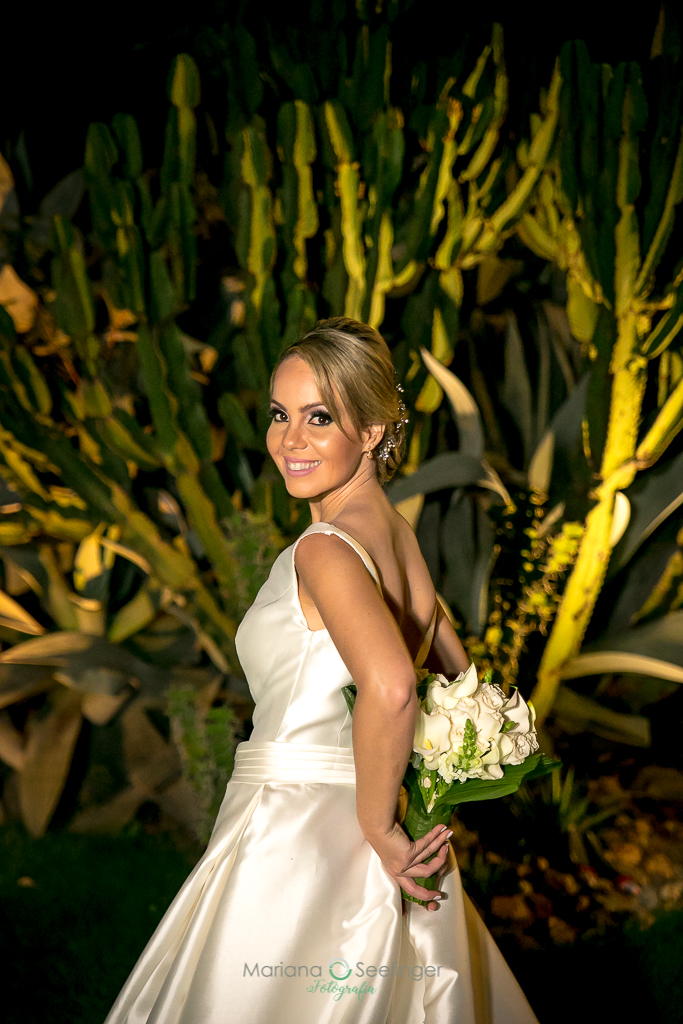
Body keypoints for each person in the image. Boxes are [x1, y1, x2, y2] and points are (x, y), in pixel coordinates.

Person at [104, 317, 540, 1023]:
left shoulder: (325, 550)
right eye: (280, 414)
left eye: (318, 417)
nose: (289, 440)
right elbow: (457, 670)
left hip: (298, 833)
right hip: (366, 815)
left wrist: (376, 826)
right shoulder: (395, 533)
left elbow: (395, 684)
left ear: (370, 432)